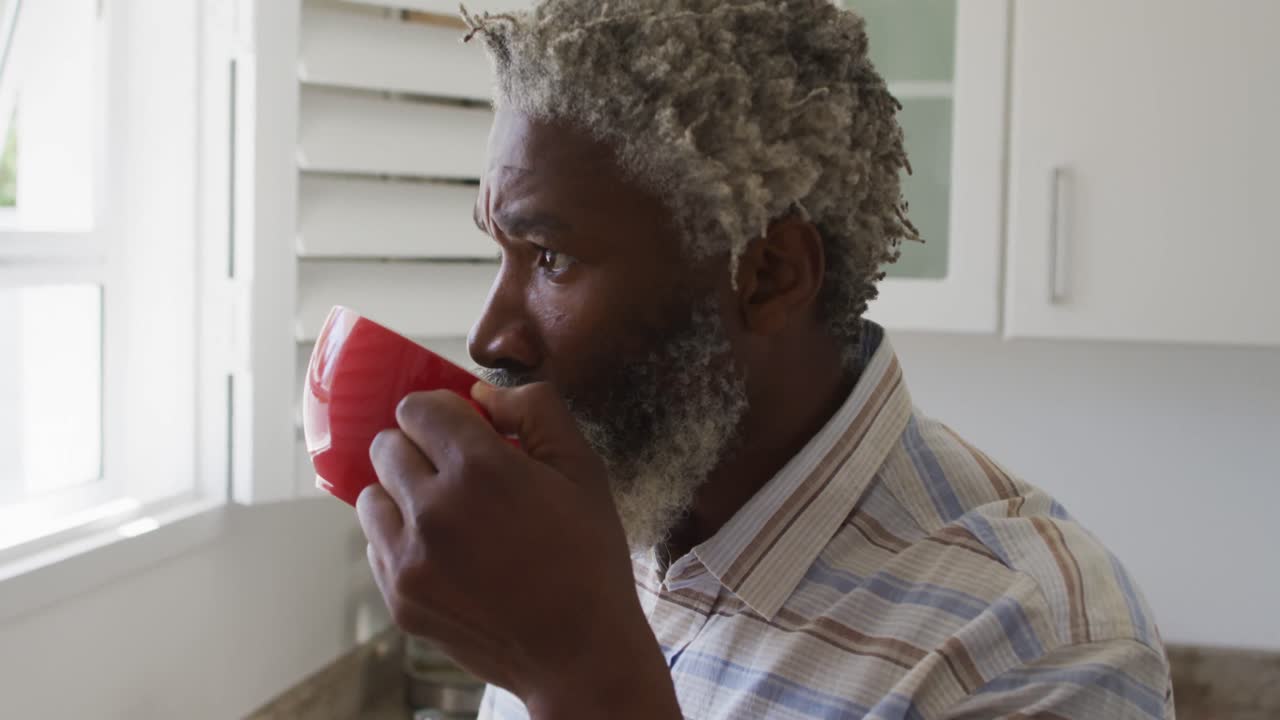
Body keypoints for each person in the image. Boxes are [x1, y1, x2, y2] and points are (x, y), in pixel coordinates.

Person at [354, 1, 1175, 717]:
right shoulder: (591, 517)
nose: (489, 334)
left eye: (550, 257)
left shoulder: (1041, 645)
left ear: (770, 276)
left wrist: (579, 674)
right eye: (500, 250)